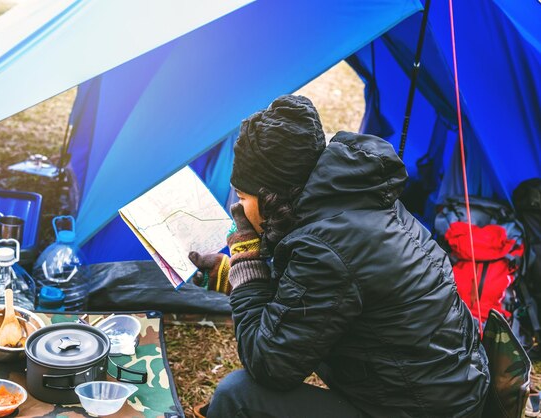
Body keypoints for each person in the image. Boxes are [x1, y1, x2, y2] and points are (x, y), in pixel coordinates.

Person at [188, 95, 489, 418]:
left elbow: (270, 364)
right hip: (448, 395)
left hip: (425, 411)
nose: (237, 207)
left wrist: (248, 265)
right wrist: (233, 276)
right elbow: (315, 301)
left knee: (237, 398)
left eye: (244, 196)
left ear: (271, 196)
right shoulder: (351, 200)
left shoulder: (326, 246)